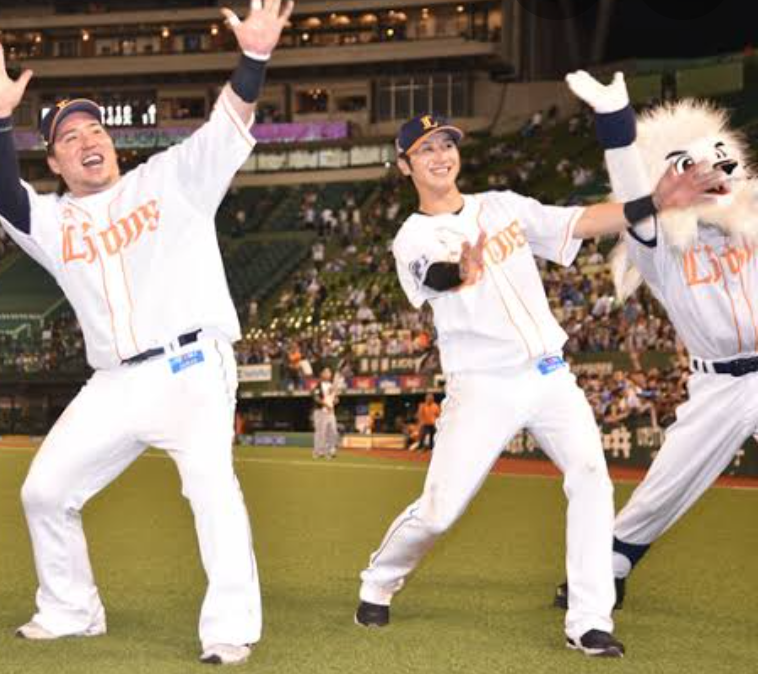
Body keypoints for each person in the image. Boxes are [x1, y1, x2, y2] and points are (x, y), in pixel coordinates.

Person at [0, 0, 293, 665]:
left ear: (111, 143)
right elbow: (4, 196)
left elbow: (228, 122)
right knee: (45, 491)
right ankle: (69, 609)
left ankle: (229, 629)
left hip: (191, 369)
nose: (87, 140)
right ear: (54, 163)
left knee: (210, 489)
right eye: (67, 137)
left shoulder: (171, 180)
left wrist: (254, 57)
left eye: (94, 130)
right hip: (114, 382)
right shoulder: (52, 224)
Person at [352, 113, 721, 658]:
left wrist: (655, 203)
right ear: (405, 165)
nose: (440, 155)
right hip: (482, 385)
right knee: (439, 510)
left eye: (447, 144)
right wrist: (460, 272)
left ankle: (589, 619)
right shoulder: (413, 234)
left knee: (592, 476)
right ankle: (380, 579)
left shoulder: (502, 205)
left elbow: (581, 220)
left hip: (549, 375)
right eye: (425, 149)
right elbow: (433, 275)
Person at [553, 71, 758, 610]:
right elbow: (631, 197)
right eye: (691, 171)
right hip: (716, 382)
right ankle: (610, 567)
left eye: (720, 164)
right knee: (665, 485)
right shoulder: (661, 248)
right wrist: (617, 126)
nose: (713, 176)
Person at [311, 366, 339, 459]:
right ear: (321, 374)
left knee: (333, 431)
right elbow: (316, 398)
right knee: (320, 432)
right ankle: (318, 451)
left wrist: (335, 400)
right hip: (320, 412)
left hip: (330, 412)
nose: (328, 374)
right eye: (326, 372)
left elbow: (335, 398)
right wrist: (325, 405)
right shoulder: (318, 385)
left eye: (329, 372)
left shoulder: (331, 385)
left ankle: (331, 450)